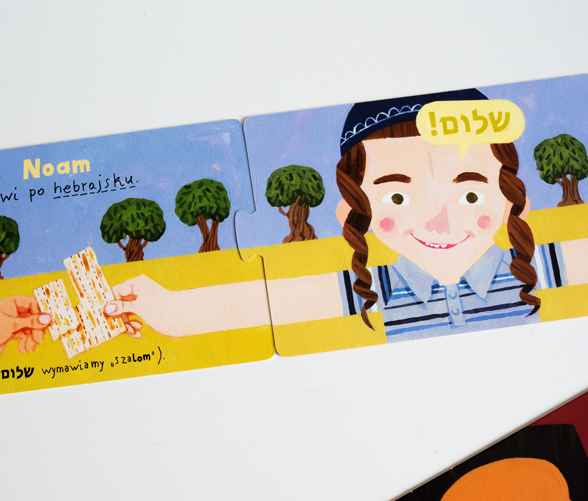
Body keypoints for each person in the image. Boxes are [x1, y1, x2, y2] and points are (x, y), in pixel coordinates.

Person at [101, 89, 588, 342]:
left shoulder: (540, 269)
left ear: (512, 198)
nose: (439, 223)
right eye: (398, 198)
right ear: (352, 210)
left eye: (471, 195)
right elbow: (261, 304)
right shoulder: (370, 290)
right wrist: (157, 306)